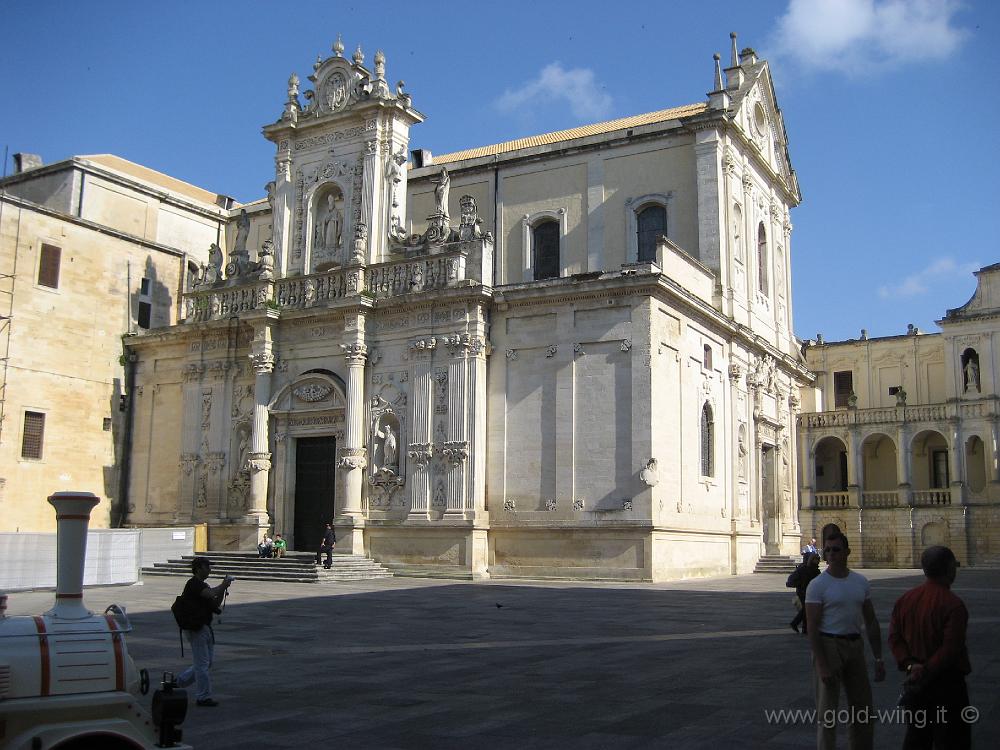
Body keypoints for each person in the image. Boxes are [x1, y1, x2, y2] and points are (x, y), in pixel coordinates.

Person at [805, 532, 886, 750]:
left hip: (855, 646)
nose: (830, 554)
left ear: (847, 552)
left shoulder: (860, 582)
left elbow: (871, 621)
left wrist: (878, 657)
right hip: (829, 646)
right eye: (827, 550)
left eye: (836, 549)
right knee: (827, 714)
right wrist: (821, 664)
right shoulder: (817, 585)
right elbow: (811, 626)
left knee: (862, 711)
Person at [888, 545, 971, 749]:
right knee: (952, 740)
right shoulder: (953, 605)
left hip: (916, 684)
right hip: (947, 684)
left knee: (916, 737)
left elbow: (894, 638)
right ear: (950, 568)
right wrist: (925, 670)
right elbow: (951, 649)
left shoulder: (905, 600)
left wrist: (909, 665)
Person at [176, 557, 233, 707]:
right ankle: (203, 697)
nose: (210, 569)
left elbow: (215, 603)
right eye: (207, 566)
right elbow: (209, 594)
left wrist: (223, 589)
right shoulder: (193, 584)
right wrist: (222, 585)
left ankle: (178, 682)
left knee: (206, 663)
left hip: (204, 627)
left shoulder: (202, 585)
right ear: (199, 568)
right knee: (202, 664)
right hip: (196, 628)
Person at [789, 552, 821, 634]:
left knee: (806, 609)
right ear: (810, 560)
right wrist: (802, 584)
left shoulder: (815, 569)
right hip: (803, 591)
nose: (817, 561)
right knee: (806, 609)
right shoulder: (804, 569)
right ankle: (796, 624)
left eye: (818, 559)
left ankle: (804, 627)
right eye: (815, 559)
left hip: (809, 592)